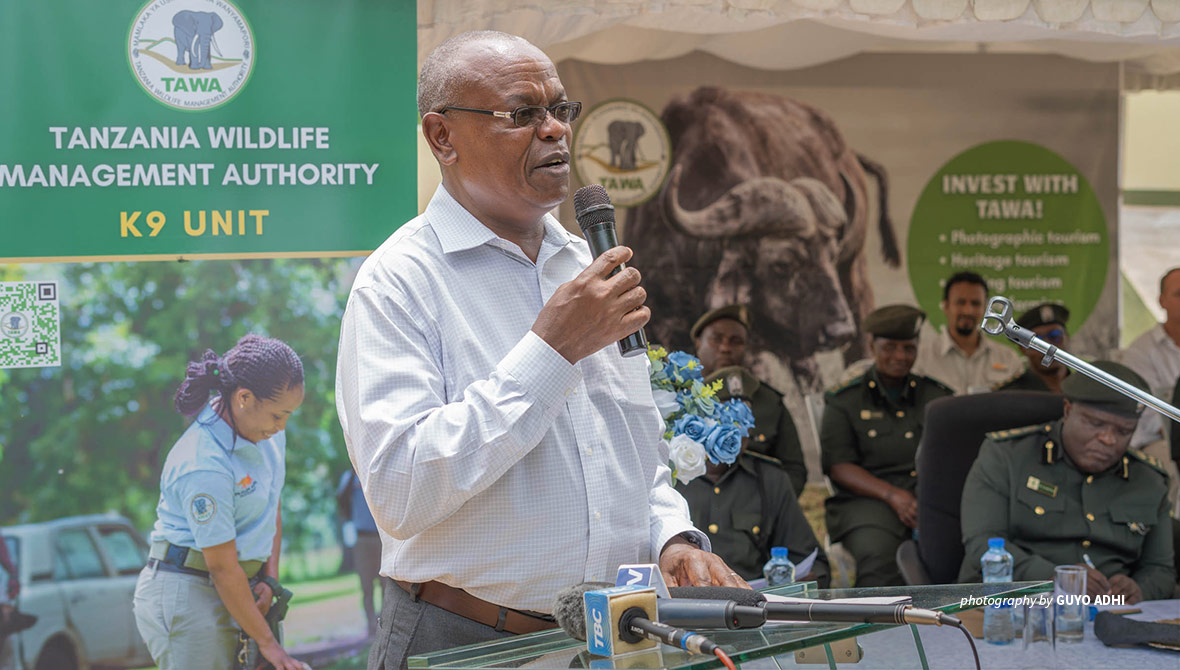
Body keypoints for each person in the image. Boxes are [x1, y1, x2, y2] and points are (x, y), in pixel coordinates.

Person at [335, 30, 744, 668]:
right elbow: (400, 489)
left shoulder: (585, 261)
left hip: (609, 637)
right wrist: (550, 352)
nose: (554, 130)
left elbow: (632, 447)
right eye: (522, 114)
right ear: (442, 137)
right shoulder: (398, 282)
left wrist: (671, 535)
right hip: (464, 637)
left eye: (559, 109)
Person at [133, 335, 307, 670]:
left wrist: (269, 579)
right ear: (244, 398)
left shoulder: (269, 434)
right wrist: (269, 645)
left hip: (242, 585)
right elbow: (222, 567)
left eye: (288, 415)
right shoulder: (202, 460)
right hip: (188, 590)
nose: (282, 425)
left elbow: (273, 504)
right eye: (277, 415)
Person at [958, 361, 1175, 604]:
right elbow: (982, 544)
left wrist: (1139, 589)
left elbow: (1161, 569)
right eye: (1096, 424)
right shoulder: (1007, 457)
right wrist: (1056, 578)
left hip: (1108, 615)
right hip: (1013, 605)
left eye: (1124, 431)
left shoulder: (1148, 480)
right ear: (1068, 410)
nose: (1108, 439)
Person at [821, 305, 953, 587]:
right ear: (871, 345)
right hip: (868, 501)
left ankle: (946, 627)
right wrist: (893, 496)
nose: (900, 357)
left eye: (908, 348)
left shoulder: (937, 397)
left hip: (926, 498)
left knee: (953, 550)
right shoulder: (845, 399)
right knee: (879, 556)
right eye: (889, 347)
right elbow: (839, 465)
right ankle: (879, 630)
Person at [676, 366, 830, 586]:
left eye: (743, 425)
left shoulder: (770, 479)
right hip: (683, 608)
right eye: (724, 422)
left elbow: (813, 563)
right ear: (701, 423)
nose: (736, 435)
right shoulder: (671, 477)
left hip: (753, 608)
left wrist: (789, 582)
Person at [691, 304, 807, 497]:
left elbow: (794, 470)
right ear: (698, 343)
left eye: (736, 342)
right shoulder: (676, 396)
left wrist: (771, 509)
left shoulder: (769, 401)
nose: (725, 348)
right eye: (716, 339)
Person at [913, 271, 1021, 394]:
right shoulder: (921, 358)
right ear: (946, 306)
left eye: (975, 304)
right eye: (961, 302)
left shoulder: (1009, 359)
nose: (968, 311)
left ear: (985, 309)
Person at [1122, 267, 1180, 481]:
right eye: (1179, 294)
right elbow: (1147, 415)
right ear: (1161, 301)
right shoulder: (1142, 351)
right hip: (1157, 441)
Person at [337, 468, 391, 636]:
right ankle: (370, 625)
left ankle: (386, 624)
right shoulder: (350, 476)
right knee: (366, 586)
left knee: (386, 585)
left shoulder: (378, 471)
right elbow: (340, 500)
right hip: (361, 537)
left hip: (382, 536)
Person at [993, 302, 1072, 393]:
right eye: (1036, 341)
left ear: (1067, 339)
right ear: (1022, 348)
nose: (1048, 347)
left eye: (1055, 336)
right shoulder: (1010, 395)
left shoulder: (1087, 387)